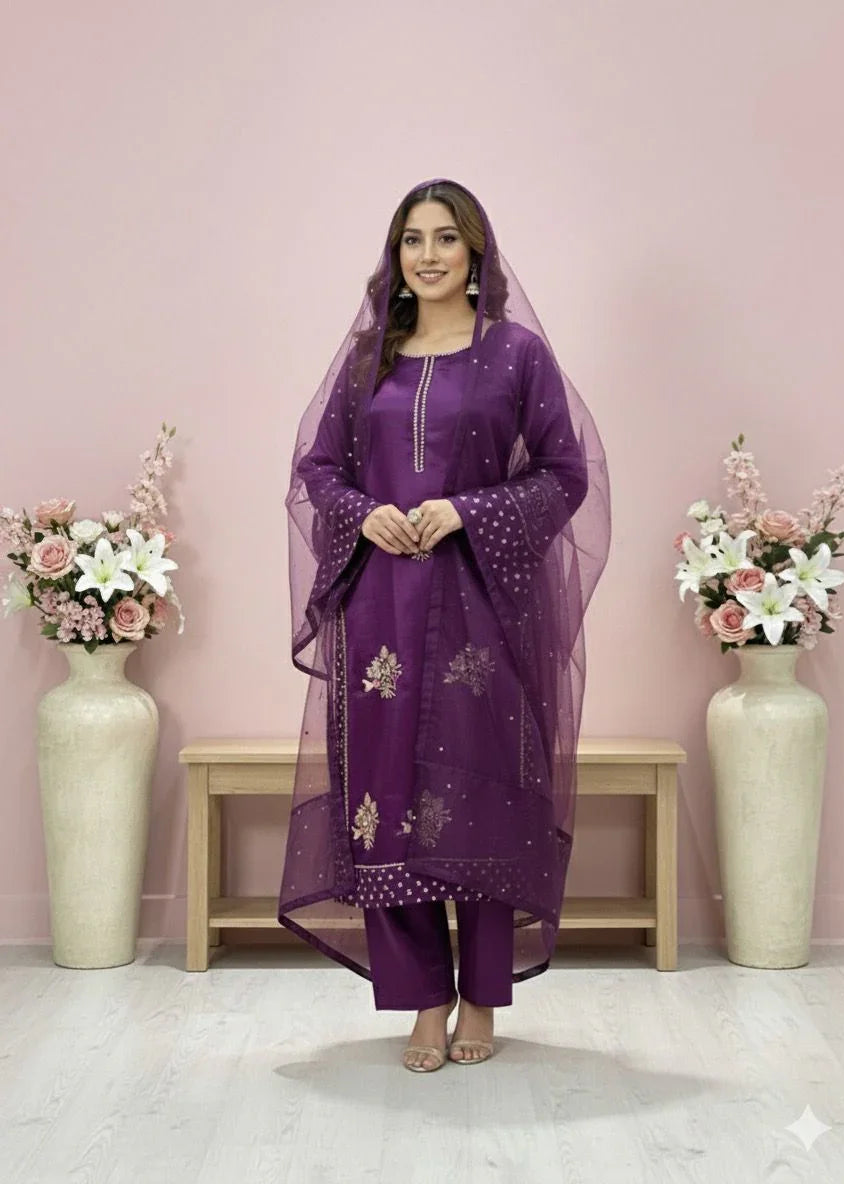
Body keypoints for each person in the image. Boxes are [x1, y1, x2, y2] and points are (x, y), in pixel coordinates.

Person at [278, 177, 611, 1072]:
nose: (427, 255)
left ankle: (482, 996)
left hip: (480, 609)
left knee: (482, 794)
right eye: (412, 240)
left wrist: (467, 511)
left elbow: (564, 474)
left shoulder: (515, 355)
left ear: (475, 253)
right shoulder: (368, 360)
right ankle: (424, 997)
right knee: (382, 801)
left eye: (445, 238)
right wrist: (363, 517)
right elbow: (319, 469)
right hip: (380, 610)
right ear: (396, 256)